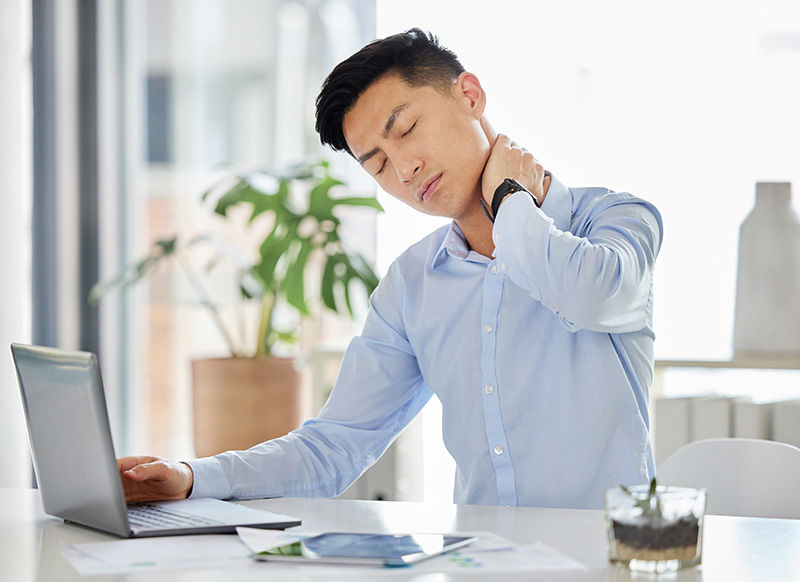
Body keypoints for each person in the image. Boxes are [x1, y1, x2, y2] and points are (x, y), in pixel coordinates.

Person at [118, 29, 662, 510]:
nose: (404, 169)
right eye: (376, 163)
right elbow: (335, 446)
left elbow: (593, 295)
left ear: (469, 95)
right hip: (484, 564)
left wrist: (510, 200)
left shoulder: (615, 218)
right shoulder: (413, 283)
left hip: (612, 563)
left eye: (404, 130)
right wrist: (192, 478)